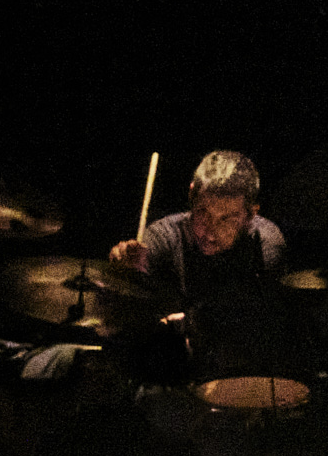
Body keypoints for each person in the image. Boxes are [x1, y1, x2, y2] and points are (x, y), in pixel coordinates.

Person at [109, 150, 290, 379]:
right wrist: (123, 269)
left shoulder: (266, 244)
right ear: (192, 194)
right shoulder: (165, 234)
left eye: (227, 219)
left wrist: (186, 324)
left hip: (241, 374)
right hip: (174, 375)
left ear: (251, 215)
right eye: (203, 212)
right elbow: (127, 291)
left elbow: (246, 322)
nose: (210, 232)